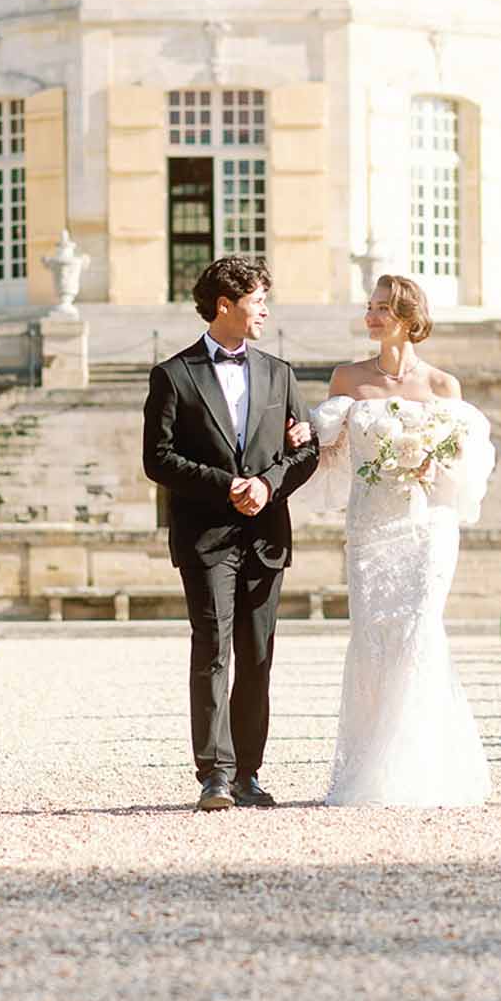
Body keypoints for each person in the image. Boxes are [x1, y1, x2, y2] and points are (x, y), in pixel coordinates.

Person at [303, 273, 497, 807]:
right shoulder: (346, 379)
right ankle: (370, 766)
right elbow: (328, 452)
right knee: (372, 636)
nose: (372, 317)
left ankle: (422, 765)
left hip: (427, 526)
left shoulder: (442, 387)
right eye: (369, 307)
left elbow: (462, 462)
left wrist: (435, 463)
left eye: (383, 308)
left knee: (418, 630)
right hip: (370, 526)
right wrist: (306, 437)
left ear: (410, 318)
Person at [142, 255, 320, 811]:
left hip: (266, 535)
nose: (265, 309)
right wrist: (228, 486)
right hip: (206, 536)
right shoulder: (173, 375)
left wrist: (268, 484)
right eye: (257, 300)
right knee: (213, 649)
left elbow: (307, 450)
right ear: (226, 305)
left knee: (257, 653)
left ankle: (249, 774)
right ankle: (214, 775)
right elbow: (157, 459)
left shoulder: (280, 374)